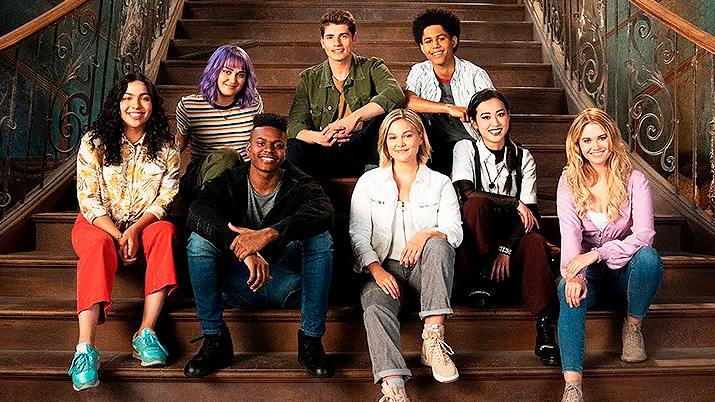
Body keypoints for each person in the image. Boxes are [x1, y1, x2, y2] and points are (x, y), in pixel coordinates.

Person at [183, 113, 335, 379]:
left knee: (320, 237)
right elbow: (197, 212)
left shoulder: (301, 183)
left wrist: (267, 235)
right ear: (248, 148)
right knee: (199, 241)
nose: (269, 150)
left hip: (286, 285)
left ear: (285, 151)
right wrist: (244, 247)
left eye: (277, 145)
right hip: (237, 285)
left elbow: (324, 213)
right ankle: (214, 338)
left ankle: (311, 340)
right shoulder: (229, 181)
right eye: (261, 143)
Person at [69, 73, 181, 391]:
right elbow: (88, 200)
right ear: (117, 104)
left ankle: (145, 333)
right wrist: (119, 235)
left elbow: (165, 199)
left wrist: (133, 230)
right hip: (98, 223)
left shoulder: (167, 145)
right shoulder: (94, 142)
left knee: (166, 231)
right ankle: (85, 350)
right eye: (128, 98)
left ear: (153, 104)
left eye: (144, 98)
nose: (136, 105)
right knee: (97, 246)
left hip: (143, 224)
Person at [350, 108, 463, 402]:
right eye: (393, 137)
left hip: (427, 273)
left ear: (420, 138)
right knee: (375, 307)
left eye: (407, 135)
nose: (400, 143)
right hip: (384, 270)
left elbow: (454, 231)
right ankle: (394, 388)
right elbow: (358, 235)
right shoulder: (369, 182)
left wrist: (425, 234)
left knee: (439, 244)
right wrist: (377, 271)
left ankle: (433, 339)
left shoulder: (440, 182)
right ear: (384, 143)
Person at [556, 108, 663, 402]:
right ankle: (573, 386)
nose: (596, 146)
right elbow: (570, 234)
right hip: (589, 275)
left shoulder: (635, 180)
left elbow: (644, 235)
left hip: (625, 274)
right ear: (577, 146)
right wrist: (575, 275)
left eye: (601, 137)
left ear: (612, 138)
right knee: (567, 288)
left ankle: (633, 327)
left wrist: (597, 254)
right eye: (586, 140)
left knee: (649, 257)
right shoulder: (569, 181)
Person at [452, 89, 560, 366]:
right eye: (485, 117)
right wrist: (513, 202)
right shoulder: (466, 148)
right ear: (474, 122)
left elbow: (530, 213)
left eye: (500, 114)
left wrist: (506, 249)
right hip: (476, 242)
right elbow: (466, 192)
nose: (495, 122)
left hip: (510, 237)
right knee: (475, 206)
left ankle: (545, 326)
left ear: (509, 117)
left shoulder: (523, 156)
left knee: (536, 242)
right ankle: (480, 279)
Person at [287, 10, 405, 178]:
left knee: (385, 116)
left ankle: (372, 182)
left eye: (343, 36)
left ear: (353, 38)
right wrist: (318, 137)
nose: (337, 43)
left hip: (362, 150)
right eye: (330, 37)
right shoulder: (309, 78)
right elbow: (294, 125)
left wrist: (353, 118)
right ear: (322, 42)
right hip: (323, 150)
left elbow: (395, 93)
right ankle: (305, 192)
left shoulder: (372, 67)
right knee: (293, 145)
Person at [405, 8, 495, 175]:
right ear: (422, 47)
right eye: (428, 41)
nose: (435, 46)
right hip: (433, 145)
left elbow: (493, 111)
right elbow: (409, 101)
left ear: (453, 41)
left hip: (469, 143)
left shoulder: (475, 74)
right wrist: (448, 108)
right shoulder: (419, 71)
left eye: (441, 38)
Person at [176, 45, 263, 204]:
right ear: (214, 71)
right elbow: (178, 145)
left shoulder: (253, 103)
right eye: (227, 72)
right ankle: (206, 210)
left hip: (240, 178)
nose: (233, 80)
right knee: (226, 156)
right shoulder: (190, 106)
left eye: (240, 75)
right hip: (201, 180)